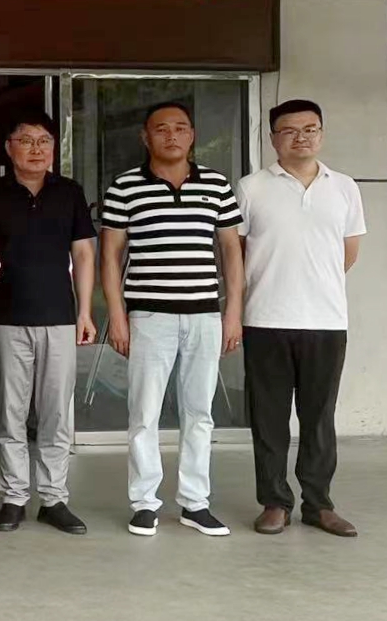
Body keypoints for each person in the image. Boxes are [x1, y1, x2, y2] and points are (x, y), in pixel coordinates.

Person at [100, 100, 243, 538]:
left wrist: (233, 312)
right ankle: (144, 503)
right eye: (161, 129)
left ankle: (195, 503)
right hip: (149, 316)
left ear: (193, 136)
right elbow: (110, 255)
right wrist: (117, 316)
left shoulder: (216, 185)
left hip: (204, 315)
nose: (172, 136)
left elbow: (231, 250)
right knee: (144, 413)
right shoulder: (125, 187)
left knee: (199, 412)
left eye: (181, 128)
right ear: (145, 137)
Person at [238, 100, 364, 538]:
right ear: (273, 139)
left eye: (310, 129)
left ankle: (318, 504)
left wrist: (313, 283)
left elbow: (348, 252)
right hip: (265, 319)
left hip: (326, 320)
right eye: (289, 131)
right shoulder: (251, 187)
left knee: (319, 418)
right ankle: (275, 502)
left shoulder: (344, 187)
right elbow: (236, 254)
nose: (301, 138)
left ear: (321, 134)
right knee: (268, 418)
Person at [0, 112, 97, 536]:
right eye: (26, 140)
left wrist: (84, 310)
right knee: (10, 413)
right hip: (7, 317)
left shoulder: (69, 192)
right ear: (9, 148)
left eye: (44, 141)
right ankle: (13, 498)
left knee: (55, 413)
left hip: (59, 317)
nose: (36, 149)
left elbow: (83, 254)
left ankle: (53, 498)